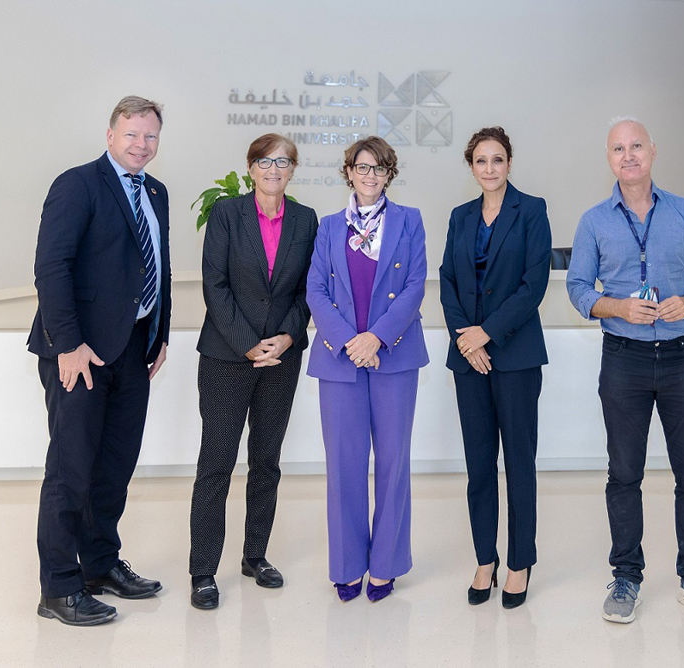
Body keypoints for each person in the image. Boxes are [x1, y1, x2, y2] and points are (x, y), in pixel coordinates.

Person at [566, 117, 684, 625]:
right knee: (623, 474)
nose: (628, 155)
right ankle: (626, 577)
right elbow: (577, 289)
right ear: (609, 158)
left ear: (653, 151)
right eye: (618, 148)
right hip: (624, 360)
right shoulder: (594, 221)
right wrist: (616, 307)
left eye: (636, 145)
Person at [28, 95, 171, 626]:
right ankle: (59, 587)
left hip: (133, 351)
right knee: (71, 471)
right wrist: (68, 344)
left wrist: (157, 338)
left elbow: (156, 266)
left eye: (151, 136)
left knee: (114, 468)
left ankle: (100, 565)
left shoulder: (154, 191)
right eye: (132, 134)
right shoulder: (77, 183)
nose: (141, 144)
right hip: (80, 352)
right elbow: (51, 267)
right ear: (111, 135)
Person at [189, 133, 318, 610]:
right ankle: (203, 569)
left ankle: (254, 556)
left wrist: (286, 336)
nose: (273, 168)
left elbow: (309, 286)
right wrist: (248, 345)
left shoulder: (306, 221)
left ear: (293, 169)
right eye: (265, 161)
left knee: (266, 462)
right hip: (227, 357)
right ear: (250, 167)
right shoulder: (226, 215)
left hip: (281, 359)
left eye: (282, 161)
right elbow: (214, 284)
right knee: (216, 465)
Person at [307, 136, 429, 603]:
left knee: (394, 462)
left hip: (393, 355)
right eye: (363, 167)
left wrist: (376, 338)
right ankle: (347, 565)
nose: (370, 175)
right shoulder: (329, 226)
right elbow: (316, 289)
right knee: (344, 466)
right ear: (349, 172)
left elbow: (416, 284)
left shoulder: (409, 221)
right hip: (340, 359)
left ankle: (386, 565)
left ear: (389, 174)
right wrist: (350, 342)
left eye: (380, 168)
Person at [439, 127, 552, 609]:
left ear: (510, 164)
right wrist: (467, 340)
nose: (490, 168)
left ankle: (519, 561)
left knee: (519, 464)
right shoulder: (460, 217)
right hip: (470, 361)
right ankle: (485, 558)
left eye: (498, 160)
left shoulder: (532, 210)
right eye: (481, 161)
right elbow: (446, 280)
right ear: (471, 167)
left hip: (515, 356)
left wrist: (487, 333)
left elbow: (534, 283)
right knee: (479, 465)